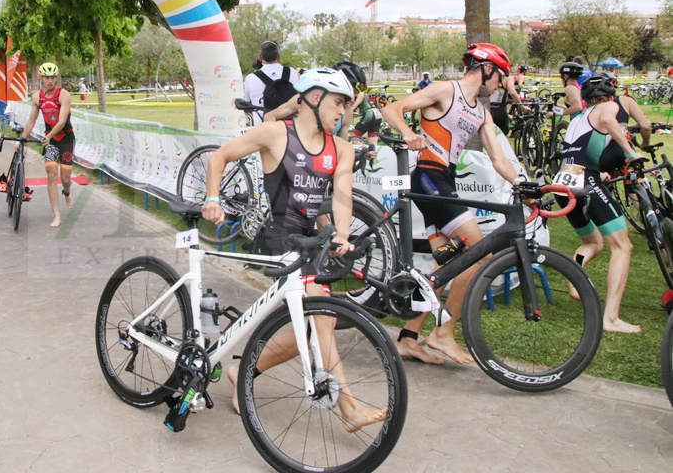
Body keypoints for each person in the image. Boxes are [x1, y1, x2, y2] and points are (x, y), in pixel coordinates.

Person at [202, 68, 385, 431]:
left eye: (347, 106)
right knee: (322, 317)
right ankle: (348, 406)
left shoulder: (341, 149)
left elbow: (343, 198)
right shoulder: (275, 134)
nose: (343, 113)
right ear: (313, 99)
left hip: (310, 240)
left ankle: (242, 371)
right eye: (338, 103)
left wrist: (343, 235)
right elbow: (218, 157)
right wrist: (212, 197)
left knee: (319, 324)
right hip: (276, 236)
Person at [381, 42, 522, 364]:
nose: (501, 83)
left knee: (446, 263)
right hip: (429, 178)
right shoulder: (445, 90)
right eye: (500, 76)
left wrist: (522, 184)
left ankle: (408, 338)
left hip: (446, 181)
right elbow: (392, 108)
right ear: (487, 69)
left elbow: (499, 158)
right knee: (476, 250)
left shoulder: (482, 113)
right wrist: (407, 132)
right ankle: (443, 333)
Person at [558, 75, 643, 333]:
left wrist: (599, 172)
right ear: (610, 94)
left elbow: (579, 149)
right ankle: (611, 318)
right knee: (623, 245)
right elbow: (608, 121)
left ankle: (574, 282)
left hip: (564, 180)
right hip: (584, 179)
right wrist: (631, 152)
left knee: (593, 242)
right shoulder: (610, 107)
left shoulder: (578, 117)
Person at [21, 62, 76, 228]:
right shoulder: (37, 97)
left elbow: (61, 121)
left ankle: (66, 192)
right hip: (50, 141)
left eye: (53, 77)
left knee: (66, 179)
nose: (50, 81)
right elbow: (31, 120)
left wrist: (50, 135)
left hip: (65, 138)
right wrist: (22, 138)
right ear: (41, 77)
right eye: (47, 77)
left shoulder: (64, 95)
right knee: (52, 175)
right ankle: (57, 215)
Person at [597, 73, 651, 175]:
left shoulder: (591, 106)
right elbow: (646, 126)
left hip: (602, 152)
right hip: (626, 152)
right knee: (634, 185)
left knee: (605, 184)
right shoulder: (626, 101)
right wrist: (645, 143)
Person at [243, 40, 295, 125]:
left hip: (262, 129)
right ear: (279, 56)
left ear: (260, 57)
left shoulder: (251, 78)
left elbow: (247, 102)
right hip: (289, 129)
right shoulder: (292, 72)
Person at [488, 65, 526, 134]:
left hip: (488, 109)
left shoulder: (487, 76)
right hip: (500, 110)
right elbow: (512, 93)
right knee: (502, 137)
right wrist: (522, 106)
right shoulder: (508, 78)